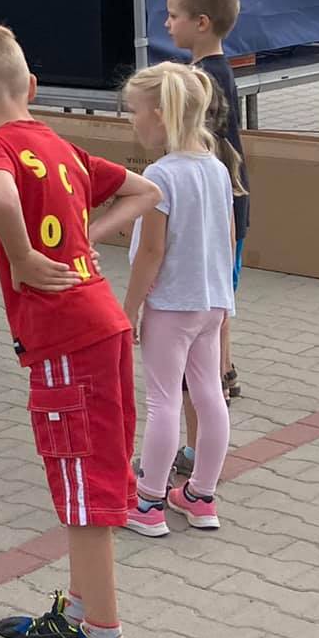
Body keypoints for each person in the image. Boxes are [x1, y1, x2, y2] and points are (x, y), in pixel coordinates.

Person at [0, 24, 157, 638]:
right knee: (89, 477)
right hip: (103, 327)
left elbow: (3, 196)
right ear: (32, 87)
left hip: (67, 340)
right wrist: (86, 237)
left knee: (84, 492)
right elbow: (145, 191)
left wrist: (26, 257)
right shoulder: (60, 147)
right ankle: (77, 613)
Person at [94, 64, 235, 539]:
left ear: (159, 113)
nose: (131, 120)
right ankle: (201, 496)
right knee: (209, 396)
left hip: (171, 305)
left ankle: (149, 501)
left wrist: (131, 306)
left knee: (163, 401)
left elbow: (151, 252)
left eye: (134, 111)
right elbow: (227, 238)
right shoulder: (217, 168)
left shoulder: (160, 176)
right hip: (211, 303)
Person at [164, 0, 249, 409]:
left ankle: (214, 379)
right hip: (226, 205)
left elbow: (208, 152)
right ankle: (224, 370)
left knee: (214, 296)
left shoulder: (201, 82)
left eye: (172, 15)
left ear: (201, 23)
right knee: (219, 293)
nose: (166, 24)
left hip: (219, 209)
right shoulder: (214, 72)